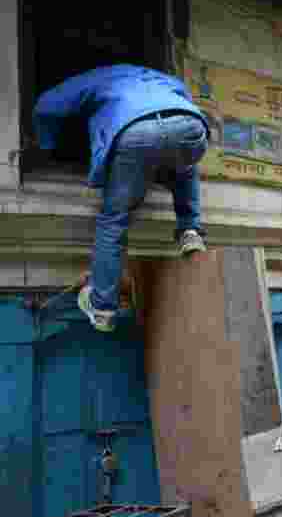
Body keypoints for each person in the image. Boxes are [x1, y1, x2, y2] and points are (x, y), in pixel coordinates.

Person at [32, 64, 210, 332]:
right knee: (184, 164)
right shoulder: (163, 79)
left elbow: (46, 105)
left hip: (135, 134)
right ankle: (190, 230)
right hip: (191, 125)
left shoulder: (101, 76)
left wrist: (46, 145)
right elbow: (177, 109)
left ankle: (102, 306)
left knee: (113, 219)